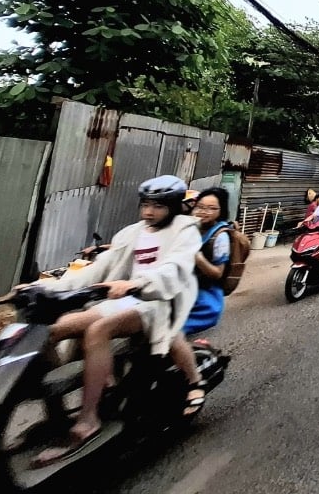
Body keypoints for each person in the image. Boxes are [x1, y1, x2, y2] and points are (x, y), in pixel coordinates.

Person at [25, 175, 201, 467]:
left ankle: (88, 420)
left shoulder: (186, 231)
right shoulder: (132, 232)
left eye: (158, 206)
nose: (149, 212)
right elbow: (96, 270)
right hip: (124, 300)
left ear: (172, 206)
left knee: (98, 329)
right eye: (145, 204)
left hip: (158, 303)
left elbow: (174, 269)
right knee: (52, 330)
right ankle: (57, 412)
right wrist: (43, 287)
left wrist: (137, 283)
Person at [168, 187, 234, 418]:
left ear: (220, 211)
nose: (204, 212)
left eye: (211, 208)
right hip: (178, 291)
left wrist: (196, 255)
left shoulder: (220, 236)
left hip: (203, 299)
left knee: (166, 333)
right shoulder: (188, 227)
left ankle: (194, 383)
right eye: (201, 207)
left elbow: (217, 273)